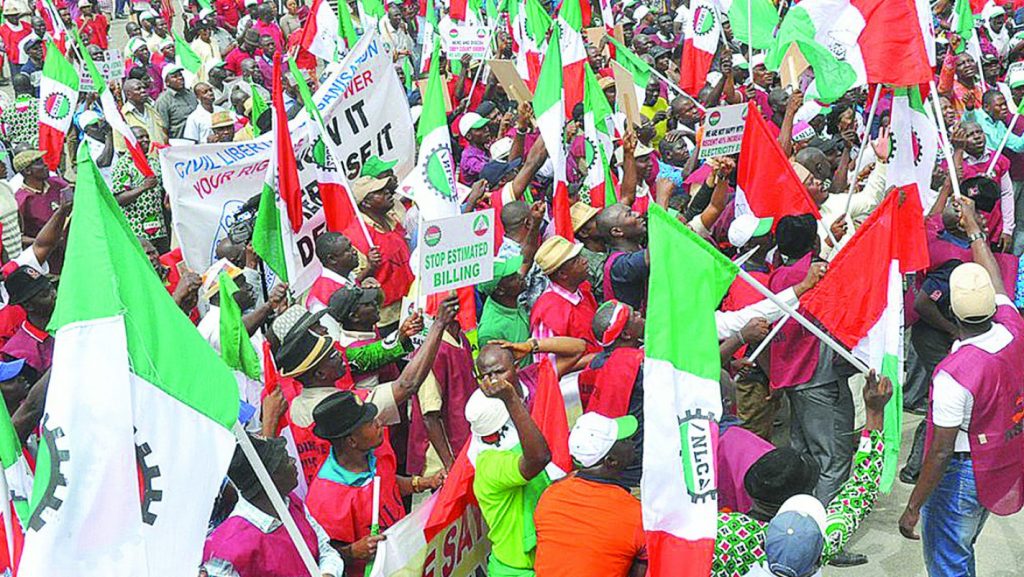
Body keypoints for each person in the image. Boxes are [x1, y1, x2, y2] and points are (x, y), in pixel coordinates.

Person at [899, 197, 1024, 577]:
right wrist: (975, 231)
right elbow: (997, 281)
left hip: (963, 475)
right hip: (1003, 458)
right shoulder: (1011, 327)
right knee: (964, 545)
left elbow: (938, 453)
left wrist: (913, 506)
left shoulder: (953, 373)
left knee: (950, 560)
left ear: (951, 311)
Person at [713, 371, 892, 577]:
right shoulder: (816, 538)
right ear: (801, 498)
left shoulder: (723, 533)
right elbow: (862, 489)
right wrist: (874, 413)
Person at [305, 390, 444, 577]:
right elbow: (324, 553)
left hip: (404, 560)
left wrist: (425, 482)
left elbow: (388, 483)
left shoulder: (376, 449)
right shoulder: (325, 498)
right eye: (370, 423)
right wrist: (353, 551)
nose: (379, 423)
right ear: (352, 441)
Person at [202, 436, 344, 577]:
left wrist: (327, 574)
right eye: (286, 459)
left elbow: (326, 550)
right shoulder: (226, 549)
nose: (293, 462)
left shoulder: (292, 503)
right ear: (269, 478)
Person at [467, 344, 552, 576]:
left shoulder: (504, 447)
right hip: (518, 569)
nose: (494, 380)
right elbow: (539, 458)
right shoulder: (491, 464)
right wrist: (512, 400)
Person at [533, 413, 646, 577]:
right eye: (624, 440)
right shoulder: (636, 515)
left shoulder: (550, 496)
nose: (632, 442)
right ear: (611, 461)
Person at [353, 175, 414, 333]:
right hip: (386, 320)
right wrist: (370, 268)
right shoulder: (355, 237)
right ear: (365, 203)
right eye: (380, 191)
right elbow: (352, 285)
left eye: (386, 189)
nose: (388, 193)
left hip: (410, 305)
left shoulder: (392, 220)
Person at [530, 235, 601, 352]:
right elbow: (547, 364)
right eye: (576, 261)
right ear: (562, 274)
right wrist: (597, 359)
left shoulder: (583, 292)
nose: (585, 261)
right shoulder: (548, 312)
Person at [110, 126, 167, 245]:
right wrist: (144, 187)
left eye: (147, 137)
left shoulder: (154, 162)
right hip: (137, 230)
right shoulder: (123, 165)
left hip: (159, 229)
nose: (146, 140)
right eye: (140, 137)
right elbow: (118, 199)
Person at [2, 265, 55, 372]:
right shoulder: (17, 353)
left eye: (52, 288)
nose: (54, 295)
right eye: (45, 294)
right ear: (28, 306)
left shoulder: (68, 319)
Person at [155, 65, 199, 140]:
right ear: (167, 82)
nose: (180, 78)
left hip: (198, 138)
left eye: (180, 75)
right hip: (180, 142)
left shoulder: (190, 94)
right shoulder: (163, 101)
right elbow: (163, 129)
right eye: (175, 76)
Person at [120, 78, 166, 149]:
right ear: (129, 94)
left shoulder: (153, 108)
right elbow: (121, 148)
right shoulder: (122, 117)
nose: (143, 91)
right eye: (138, 89)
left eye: (144, 88)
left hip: (161, 156)